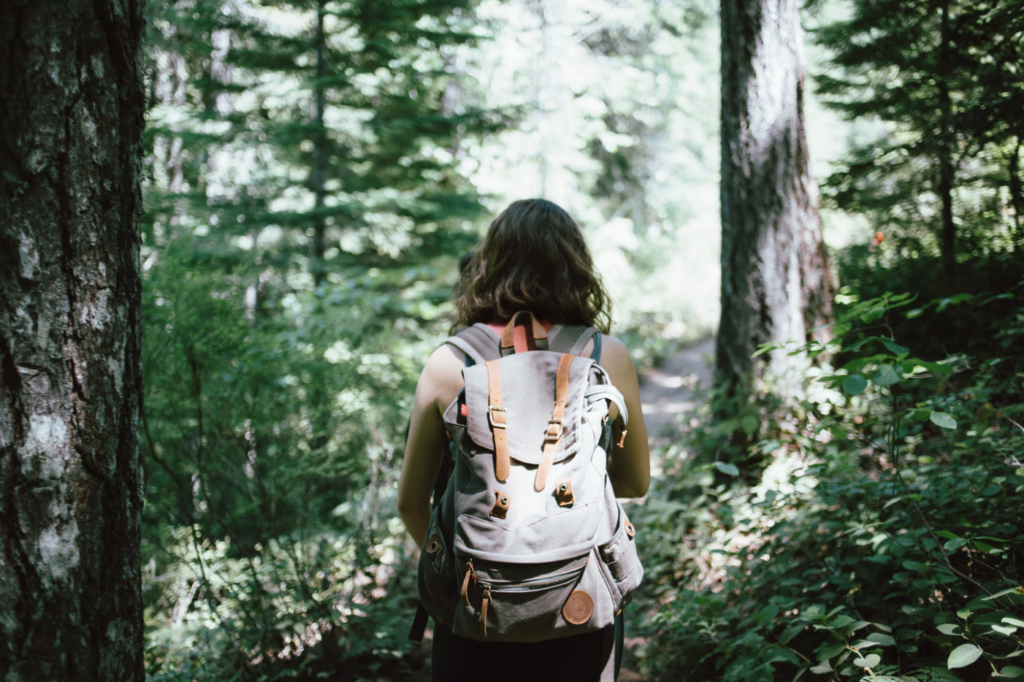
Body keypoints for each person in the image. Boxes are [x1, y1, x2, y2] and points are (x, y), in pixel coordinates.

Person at [397, 198, 650, 682]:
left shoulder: (449, 363)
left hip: (476, 609)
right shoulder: (606, 355)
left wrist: (464, 570)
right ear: (575, 267)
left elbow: (411, 502)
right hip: (580, 600)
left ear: (489, 266)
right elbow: (634, 482)